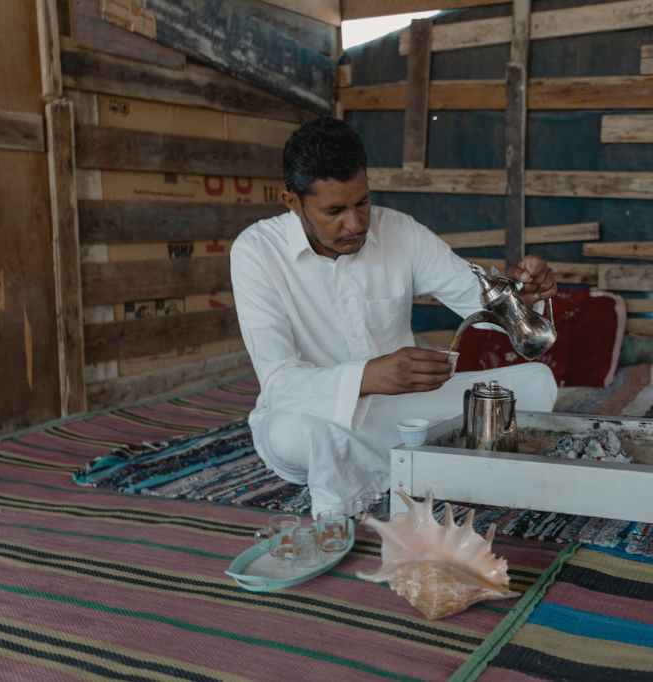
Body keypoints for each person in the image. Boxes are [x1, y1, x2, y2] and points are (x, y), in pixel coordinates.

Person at [230, 117, 559, 519]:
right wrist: (368, 377)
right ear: (292, 202)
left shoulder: (400, 231)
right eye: (334, 211)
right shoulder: (256, 251)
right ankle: (423, 458)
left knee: (536, 384)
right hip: (321, 418)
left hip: (405, 407)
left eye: (362, 203)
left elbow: (477, 304)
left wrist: (521, 298)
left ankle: (388, 463)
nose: (355, 224)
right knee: (290, 436)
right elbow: (280, 383)